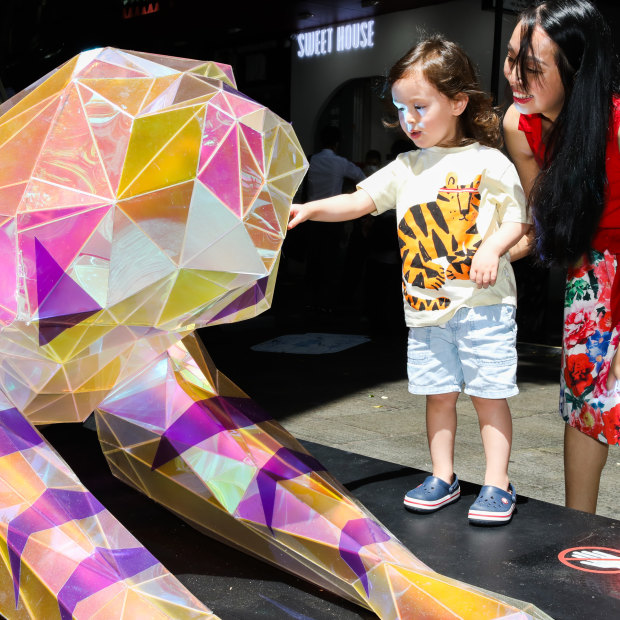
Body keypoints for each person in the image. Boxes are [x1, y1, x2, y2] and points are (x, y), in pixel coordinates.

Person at [289, 36, 529, 525]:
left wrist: (490, 247)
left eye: (420, 106)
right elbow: (358, 201)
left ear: (458, 102)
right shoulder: (406, 166)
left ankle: (497, 482)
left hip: (483, 304)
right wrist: (311, 207)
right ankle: (443, 475)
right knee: (437, 395)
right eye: (401, 109)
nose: (409, 120)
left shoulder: (488, 160)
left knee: (489, 395)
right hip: (425, 308)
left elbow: (517, 219)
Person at [503, 0, 620, 514]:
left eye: (532, 68)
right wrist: (484, 250)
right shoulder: (519, 125)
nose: (515, 78)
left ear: (576, 70)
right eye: (511, 61)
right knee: (585, 401)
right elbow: (544, 227)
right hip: (590, 270)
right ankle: (577, 530)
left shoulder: (616, 123)